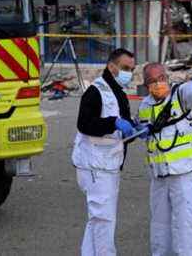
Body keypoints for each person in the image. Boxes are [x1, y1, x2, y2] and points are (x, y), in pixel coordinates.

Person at [135, 63, 192, 256]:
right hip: (159, 176)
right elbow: (141, 130)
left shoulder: (180, 96)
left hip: (185, 172)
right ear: (145, 84)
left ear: (167, 77)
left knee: (185, 225)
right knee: (159, 226)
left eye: (160, 78)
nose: (158, 83)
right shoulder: (144, 106)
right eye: (152, 81)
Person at [71, 48, 137, 256]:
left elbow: (122, 129)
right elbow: (85, 124)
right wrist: (114, 123)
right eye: (126, 68)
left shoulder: (118, 92)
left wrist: (135, 130)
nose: (129, 73)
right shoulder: (96, 91)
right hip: (95, 166)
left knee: (98, 219)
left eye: (132, 69)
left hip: (108, 164)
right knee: (103, 219)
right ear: (112, 66)